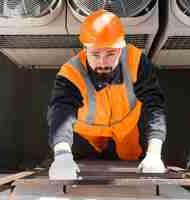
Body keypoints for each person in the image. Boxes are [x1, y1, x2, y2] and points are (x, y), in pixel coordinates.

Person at [47, 9, 167, 180]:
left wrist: (154, 152)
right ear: (85, 49)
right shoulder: (70, 73)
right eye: (95, 54)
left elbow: (155, 105)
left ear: (120, 49)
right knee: (85, 158)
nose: (102, 62)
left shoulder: (136, 61)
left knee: (131, 156)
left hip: (126, 126)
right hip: (87, 130)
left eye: (110, 53)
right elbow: (60, 112)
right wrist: (61, 154)